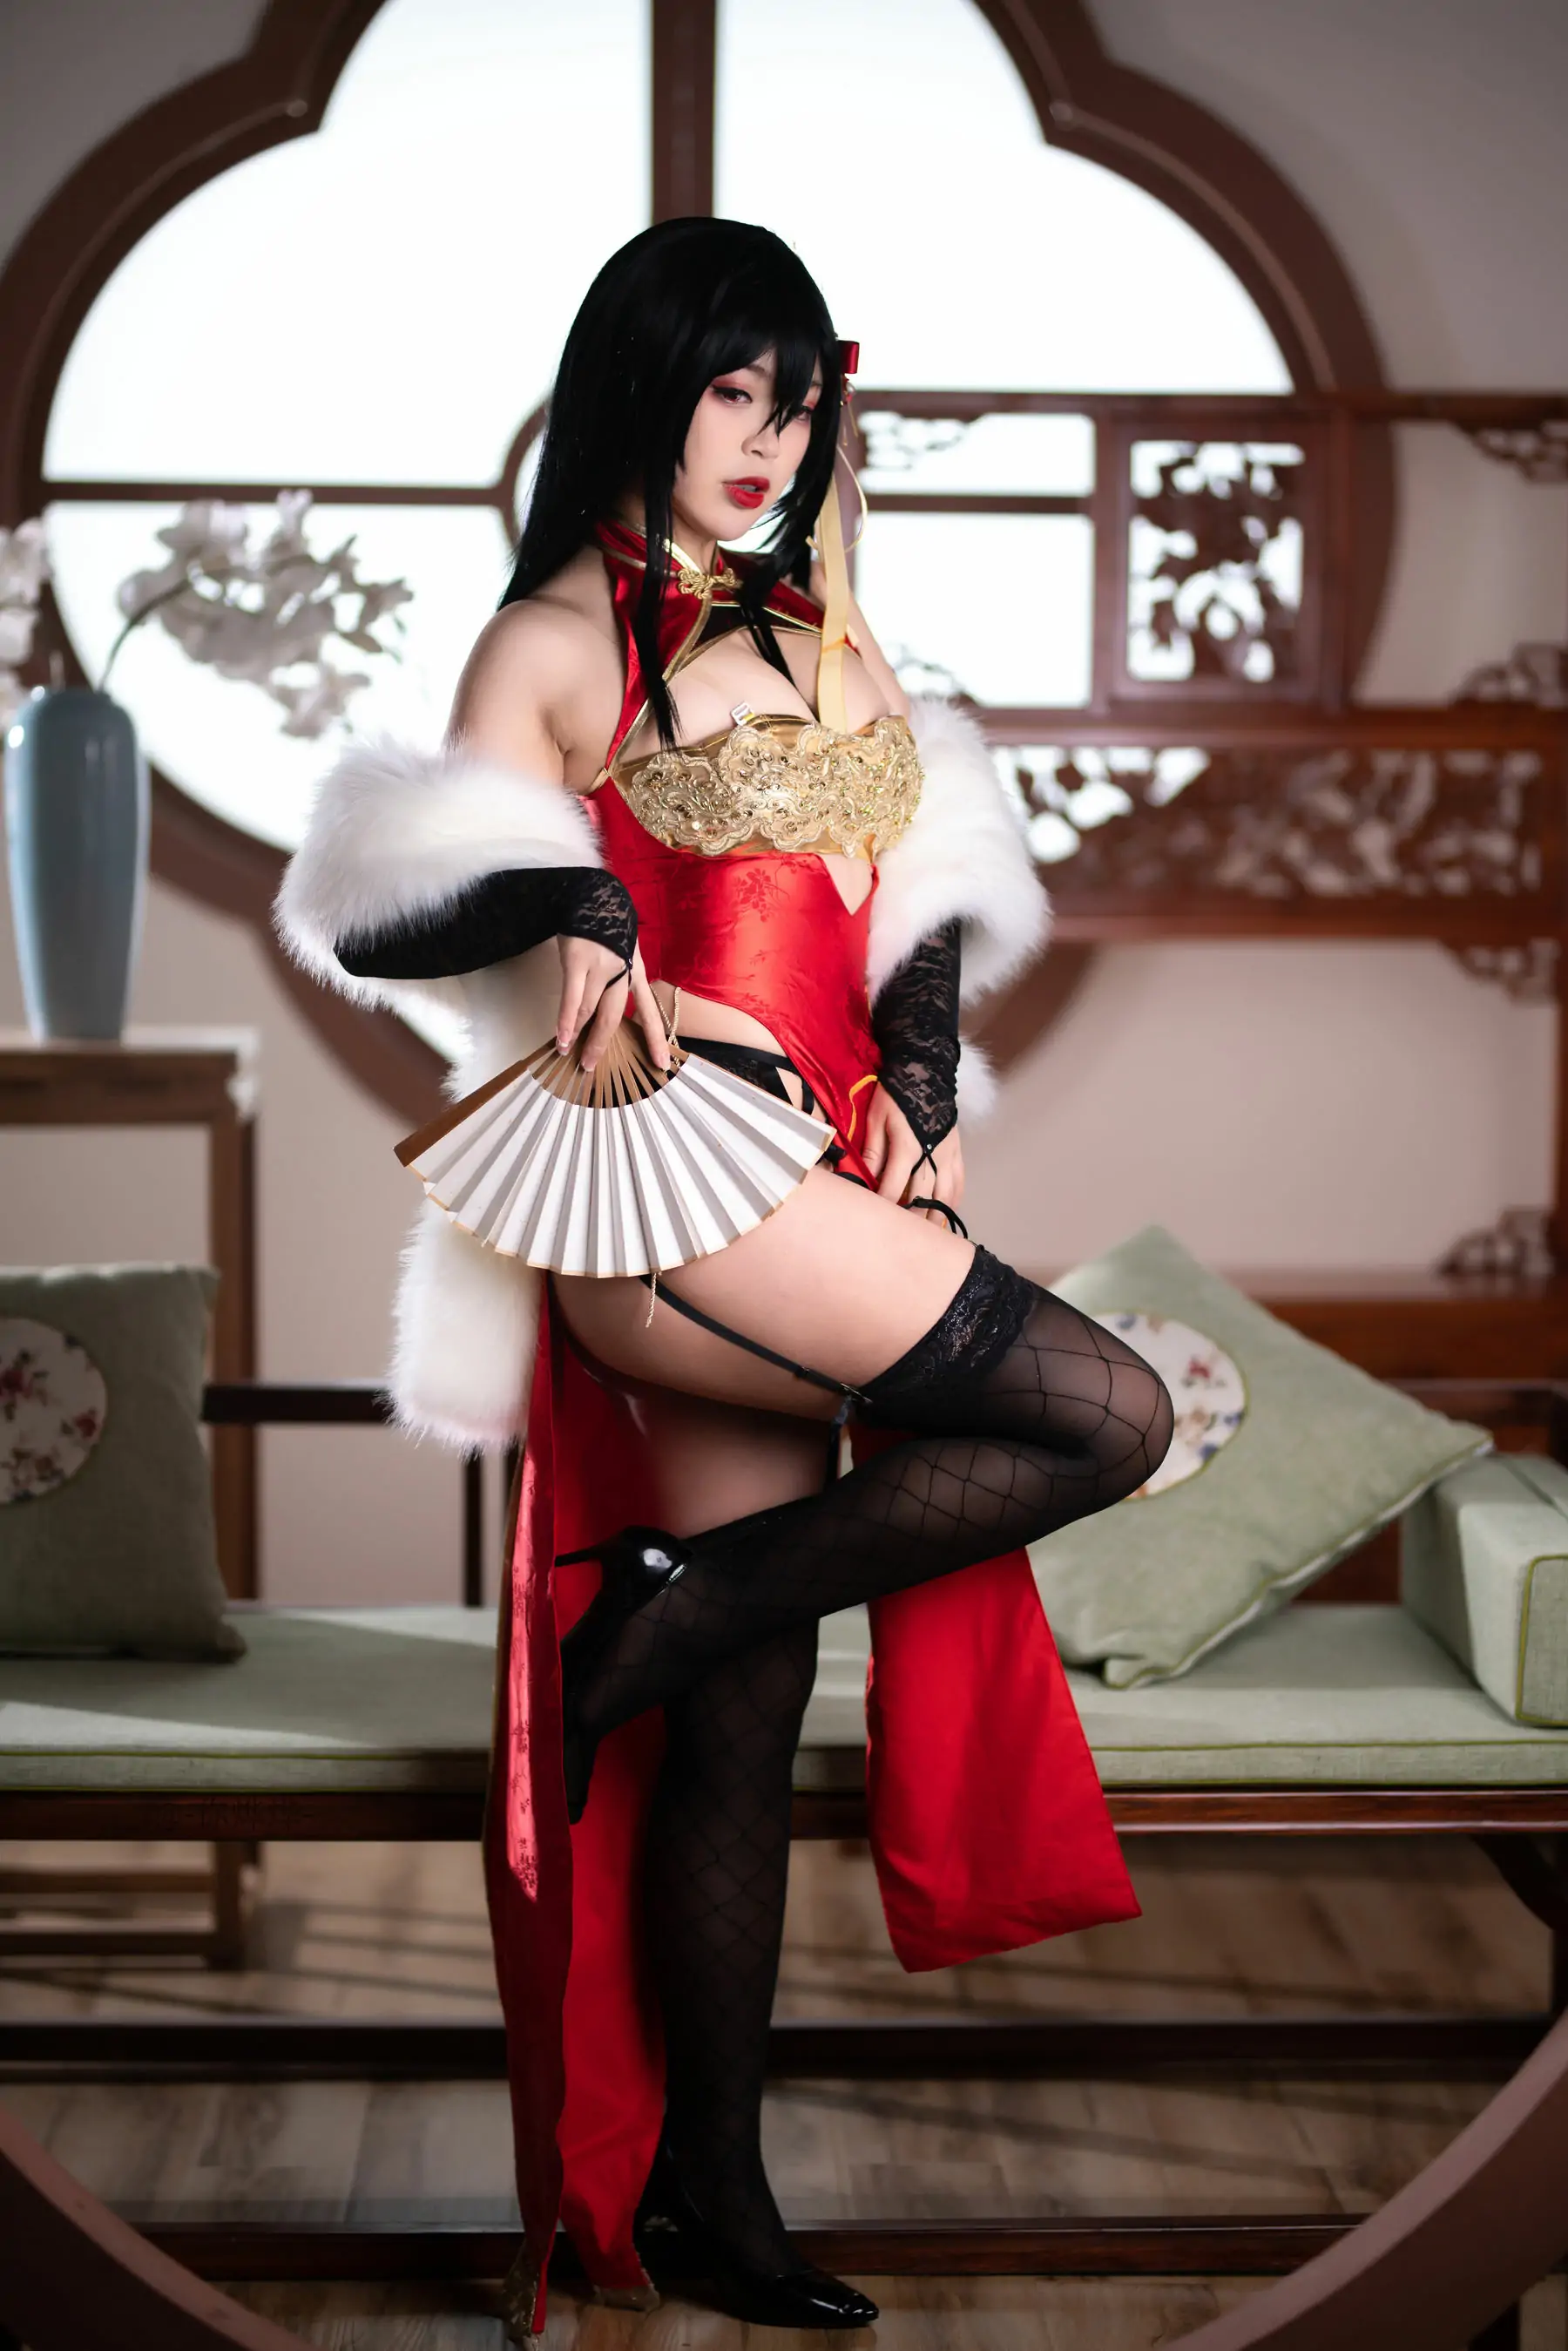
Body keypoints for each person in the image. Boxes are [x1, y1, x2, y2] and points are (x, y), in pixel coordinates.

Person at [277, 217, 1173, 2340]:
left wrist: (925, 1077)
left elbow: (919, 877)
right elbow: (382, 900)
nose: (768, 435)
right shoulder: (551, 633)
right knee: (1106, 1411)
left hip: (826, 1182)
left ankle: (715, 2194)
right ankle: (674, 1606)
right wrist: (581, 903)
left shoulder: (824, 618)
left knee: (746, 1718)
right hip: (665, 1190)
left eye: (798, 397)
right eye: (729, 390)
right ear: (644, 383)